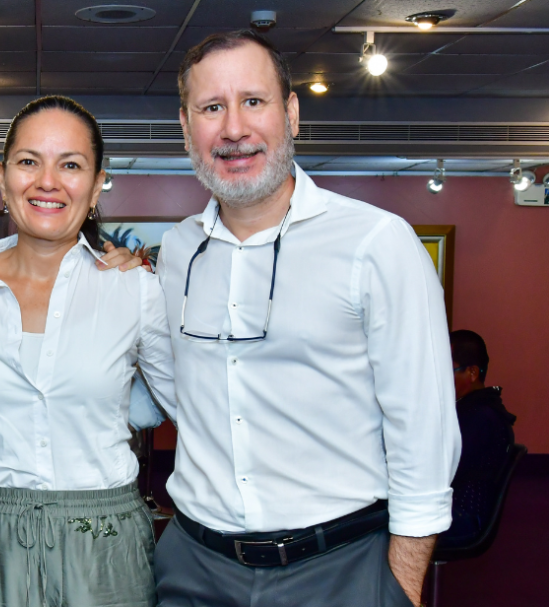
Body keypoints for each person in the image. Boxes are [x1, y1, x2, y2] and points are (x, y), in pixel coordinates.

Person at [151, 31, 460, 607]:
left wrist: (401, 587)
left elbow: (424, 430)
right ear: (186, 127)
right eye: (211, 107)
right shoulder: (175, 252)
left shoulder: (376, 242)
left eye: (254, 101)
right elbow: (177, 393)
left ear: (291, 113)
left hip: (339, 569)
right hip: (193, 566)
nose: (234, 128)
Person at [0, 95, 177, 607]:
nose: (48, 181)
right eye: (28, 162)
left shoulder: (135, 290)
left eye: (70, 164)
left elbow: (193, 411)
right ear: (3, 179)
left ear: (95, 184)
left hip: (107, 544)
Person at [442, 330, 516, 546]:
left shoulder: (480, 417)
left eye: (448, 370)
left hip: (463, 516)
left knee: (376, 522)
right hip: (453, 509)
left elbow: (445, 470)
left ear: (472, 372)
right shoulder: (473, 409)